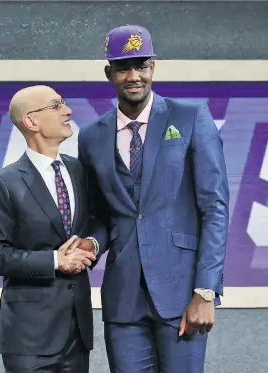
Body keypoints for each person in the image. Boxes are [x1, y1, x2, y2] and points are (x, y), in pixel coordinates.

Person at [78, 25, 230, 373]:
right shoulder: (91, 137)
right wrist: (91, 242)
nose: (134, 76)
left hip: (182, 294)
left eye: (142, 65)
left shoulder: (190, 117)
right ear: (109, 73)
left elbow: (215, 208)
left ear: (153, 69)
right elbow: (100, 214)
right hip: (123, 299)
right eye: (123, 68)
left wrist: (206, 291)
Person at [0, 85, 107, 373]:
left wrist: (92, 243)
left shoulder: (80, 171)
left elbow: (100, 221)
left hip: (77, 333)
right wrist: (55, 260)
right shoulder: (4, 183)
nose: (68, 111)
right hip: (28, 338)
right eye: (56, 105)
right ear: (31, 121)